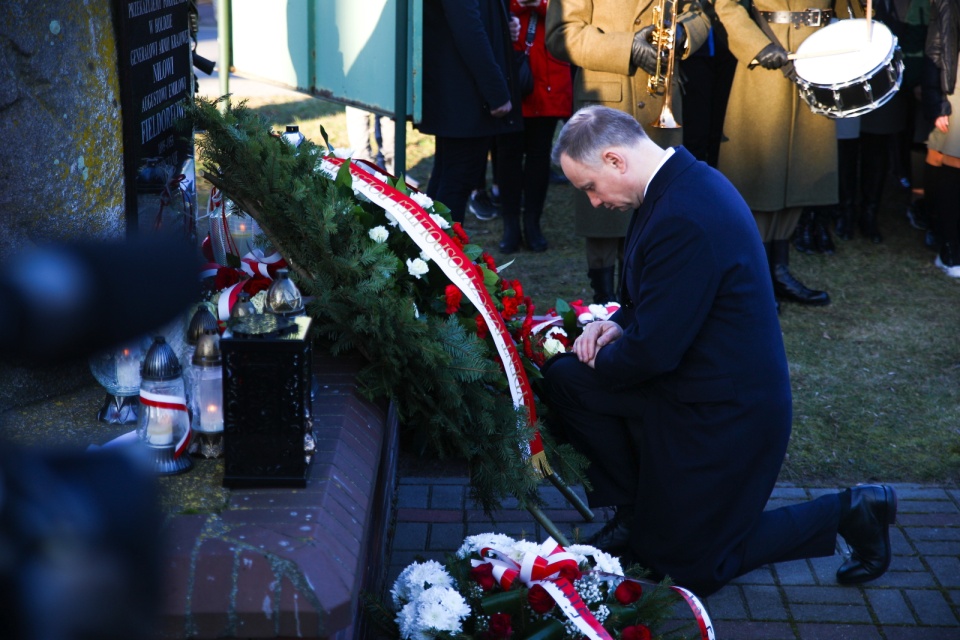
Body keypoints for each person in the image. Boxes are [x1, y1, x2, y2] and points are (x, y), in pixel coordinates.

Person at [539, 105, 897, 597]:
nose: (595, 202)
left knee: (687, 569)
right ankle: (634, 516)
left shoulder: (682, 213)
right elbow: (659, 298)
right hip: (690, 386)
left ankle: (851, 511)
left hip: (726, 414)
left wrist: (600, 351)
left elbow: (652, 356)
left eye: (590, 187)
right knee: (567, 380)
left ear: (615, 160)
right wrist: (614, 326)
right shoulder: (676, 183)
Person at [545, 0, 712, 303]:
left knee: (661, 208)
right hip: (607, 100)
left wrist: (684, 33)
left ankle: (651, 296)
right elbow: (560, 34)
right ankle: (604, 302)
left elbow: (699, 11)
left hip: (660, 98)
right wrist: (627, 49)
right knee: (603, 221)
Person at [712, 0, 867, 306]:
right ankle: (752, 278)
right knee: (760, 175)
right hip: (768, 59)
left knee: (800, 171)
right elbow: (726, 5)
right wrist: (756, 46)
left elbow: (852, 11)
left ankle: (779, 271)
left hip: (818, 60)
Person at [419, 0, 523, 224]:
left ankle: (428, 254)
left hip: (459, 89)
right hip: (463, 91)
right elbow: (468, 28)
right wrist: (496, 91)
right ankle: (439, 256)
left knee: (448, 175)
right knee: (456, 180)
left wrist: (504, 24)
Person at [496, 0, 574, 253]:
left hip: (549, 73)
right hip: (511, 68)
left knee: (539, 156)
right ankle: (510, 225)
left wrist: (540, 3)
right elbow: (490, 10)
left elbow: (572, 12)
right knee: (508, 154)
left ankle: (532, 224)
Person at [922, 0, 960, 276]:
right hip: (955, 80)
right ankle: (949, 248)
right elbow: (935, 48)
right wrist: (937, 100)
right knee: (952, 161)